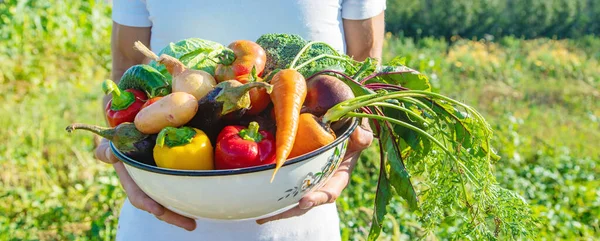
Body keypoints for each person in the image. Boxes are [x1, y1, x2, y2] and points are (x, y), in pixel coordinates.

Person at [95, 0, 385, 240]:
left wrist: (351, 151)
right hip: (161, 222)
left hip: (300, 219)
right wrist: (120, 153)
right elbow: (123, 71)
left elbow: (365, 71)